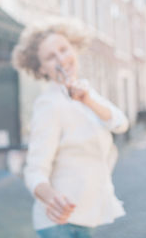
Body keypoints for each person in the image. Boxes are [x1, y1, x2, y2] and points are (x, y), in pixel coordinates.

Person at [11, 21, 129, 238]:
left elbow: (121, 124)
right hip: (61, 223)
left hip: (87, 216)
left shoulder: (87, 92)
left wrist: (87, 101)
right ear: (40, 69)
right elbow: (34, 170)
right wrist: (52, 199)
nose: (61, 59)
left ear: (74, 48)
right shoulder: (49, 105)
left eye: (64, 49)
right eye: (50, 57)